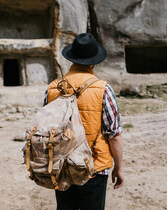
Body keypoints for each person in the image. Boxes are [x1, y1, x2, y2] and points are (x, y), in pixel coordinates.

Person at [44, 33, 124, 210]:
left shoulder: (52, 88)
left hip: (62, 165)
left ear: (72, 58)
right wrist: (118, 168)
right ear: (93, 62)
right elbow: (114, 135)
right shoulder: (103, 89)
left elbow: (47, 127)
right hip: (94, 168)